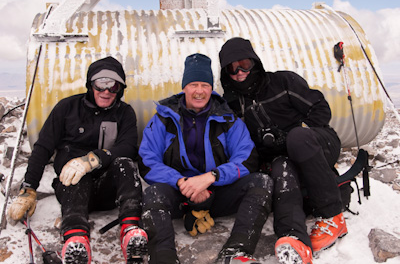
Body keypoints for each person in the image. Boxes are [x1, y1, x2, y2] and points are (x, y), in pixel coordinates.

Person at [219, 37, 347, 264]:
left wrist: (296, 132)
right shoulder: (232, 104)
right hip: (283, 156)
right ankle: (293, 239)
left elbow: (320, 109)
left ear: (254, 62)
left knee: (297, 139)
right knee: (281, 167)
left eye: (244, 64)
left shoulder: (283, 82)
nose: (239, 72)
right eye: (232, 68)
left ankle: (332, 216)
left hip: (317, 141)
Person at [8, 56, 148, 264]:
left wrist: (93, 160)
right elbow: (43, 147)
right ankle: (76, 239)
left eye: (113, 85)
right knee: (74, 174)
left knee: (125, 163)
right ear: (91, 84)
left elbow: (127, 147)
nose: (106, 91)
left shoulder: (124, 112)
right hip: (72, 188)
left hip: (108, 190)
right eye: (101, 84)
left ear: (120, 88)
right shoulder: (67, 108)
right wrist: (28, 188)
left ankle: (131, 230)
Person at [138, 53, 273, 264]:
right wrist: (181, 182)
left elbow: (246, 158)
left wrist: (212, 177)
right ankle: (164, 258)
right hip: (179, 193)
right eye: (193, 84)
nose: (199, 91)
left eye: (205, 85)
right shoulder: (164, 118)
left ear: (212, 88)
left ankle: (236, 251)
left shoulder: (228, 118)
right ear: (184, 87)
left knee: (261, 182)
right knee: (154, 194)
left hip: (218, 190)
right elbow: (147, 161)